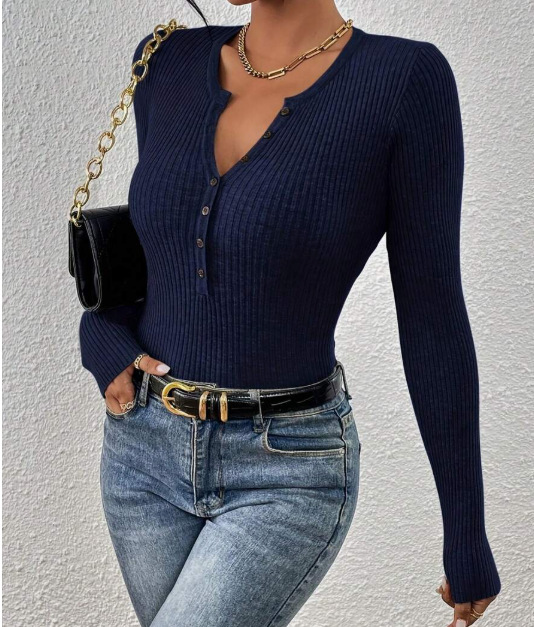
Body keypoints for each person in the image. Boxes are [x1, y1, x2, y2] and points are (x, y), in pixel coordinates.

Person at [77, 1, 501, 625]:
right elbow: (161, 249)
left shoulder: (404, 80)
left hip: (286, 468)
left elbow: (431, 311)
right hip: (142, 453)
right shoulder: (165, 60)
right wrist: (101, 331)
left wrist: (465, 530)